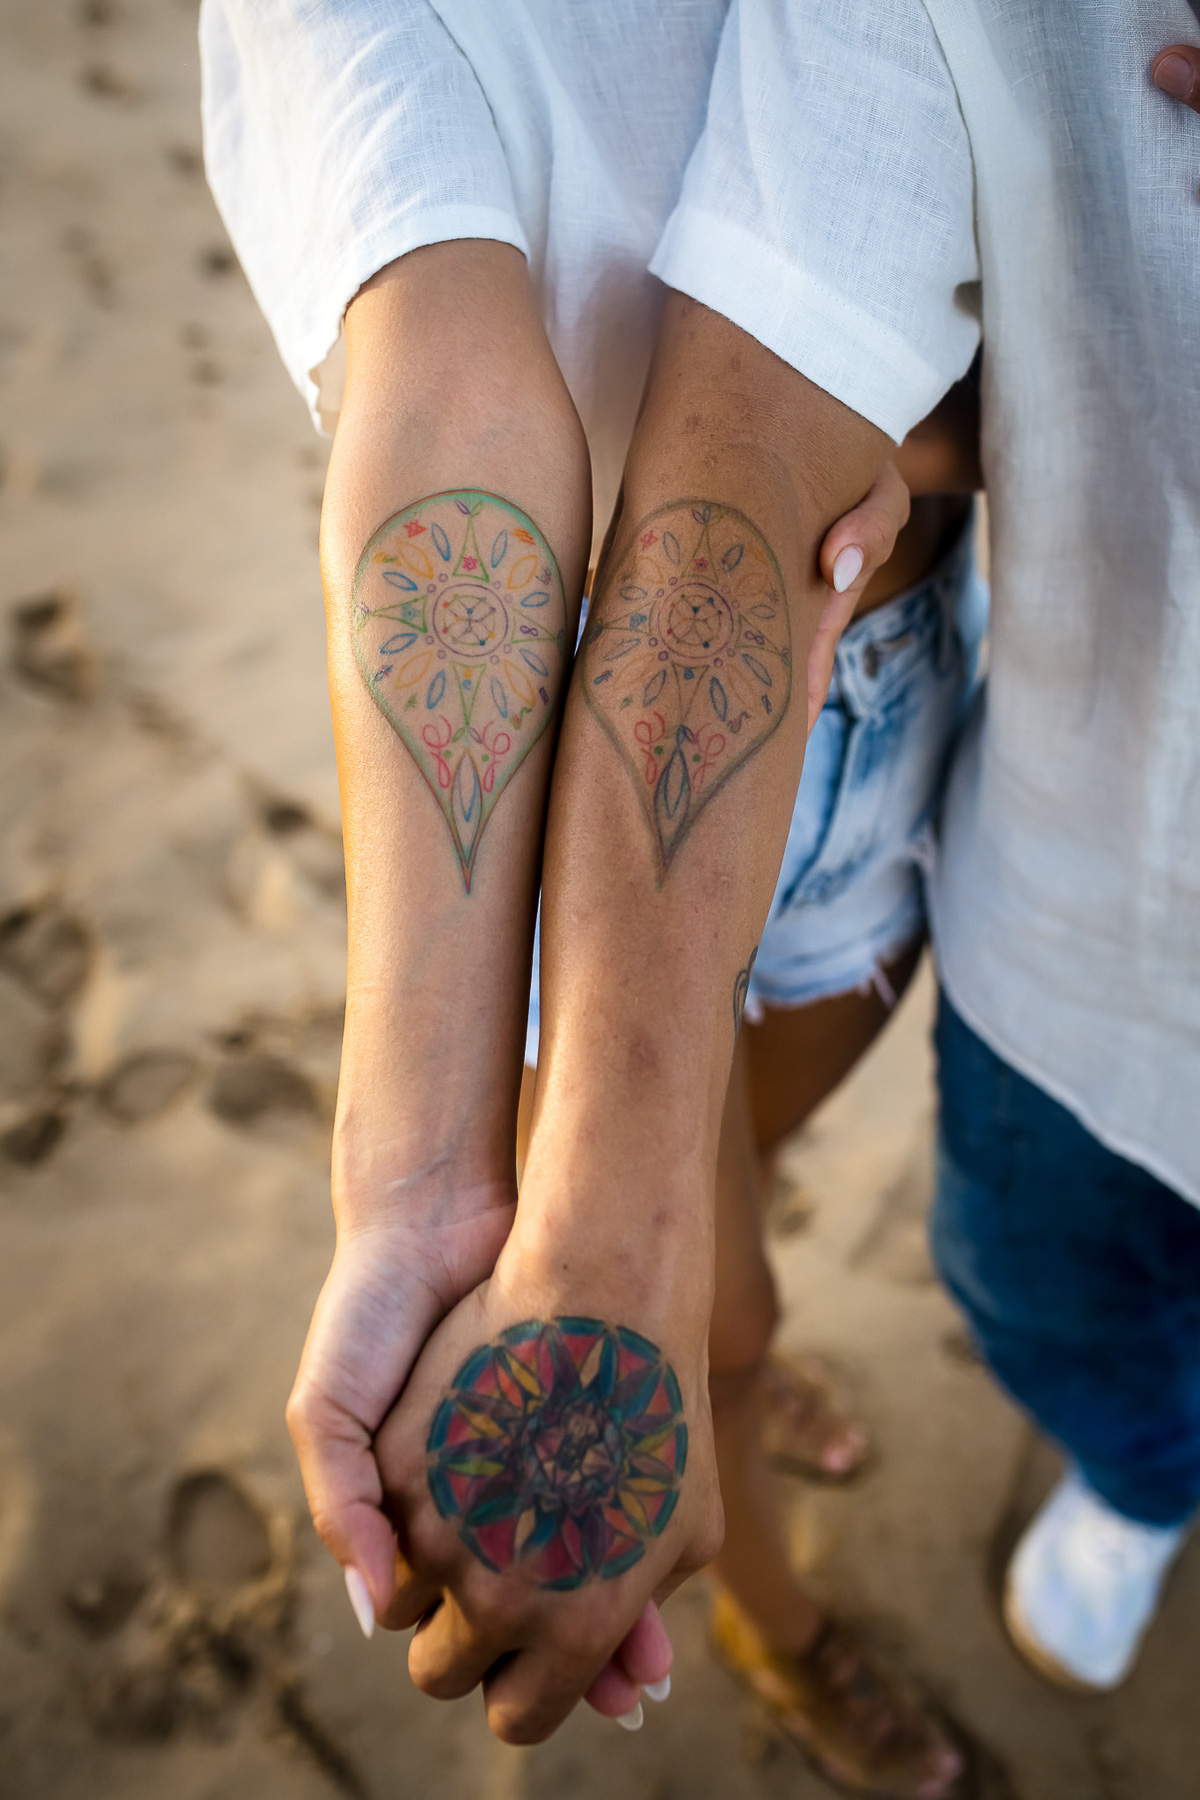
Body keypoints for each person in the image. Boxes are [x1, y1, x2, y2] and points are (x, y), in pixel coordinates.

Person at [202, 3, 983, 1791]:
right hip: (555, 780)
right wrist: (423, 1186)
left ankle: (725, 1310)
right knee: (700, 1281)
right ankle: (777, 1611)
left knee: (738, 1189)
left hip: (910, 680)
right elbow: (446, 373)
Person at [611, 0, 1199, 1704]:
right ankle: (784, 1610)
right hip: (669, 690)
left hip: (898, 688)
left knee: (730, 1241)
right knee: (746, 1283)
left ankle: (748, 1372)